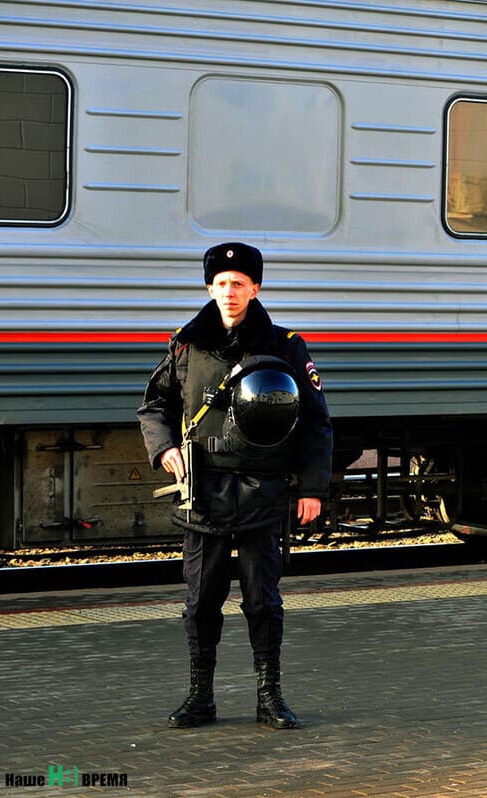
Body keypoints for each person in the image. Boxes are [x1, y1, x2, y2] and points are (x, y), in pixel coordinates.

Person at [138, 242, 333, 730]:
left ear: (255, 288)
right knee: (200, 601)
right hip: (202, 493)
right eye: (221, 284)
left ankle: (270, 698)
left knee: (263, 601)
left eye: (239, 284)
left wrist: (312, 488)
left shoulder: (286, 345)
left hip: (261, 492)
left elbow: (315, 423)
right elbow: (154, 406)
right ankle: (200, 697)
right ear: (209, 287)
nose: (230, 292)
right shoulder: (186, 344)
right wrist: (164, 449)